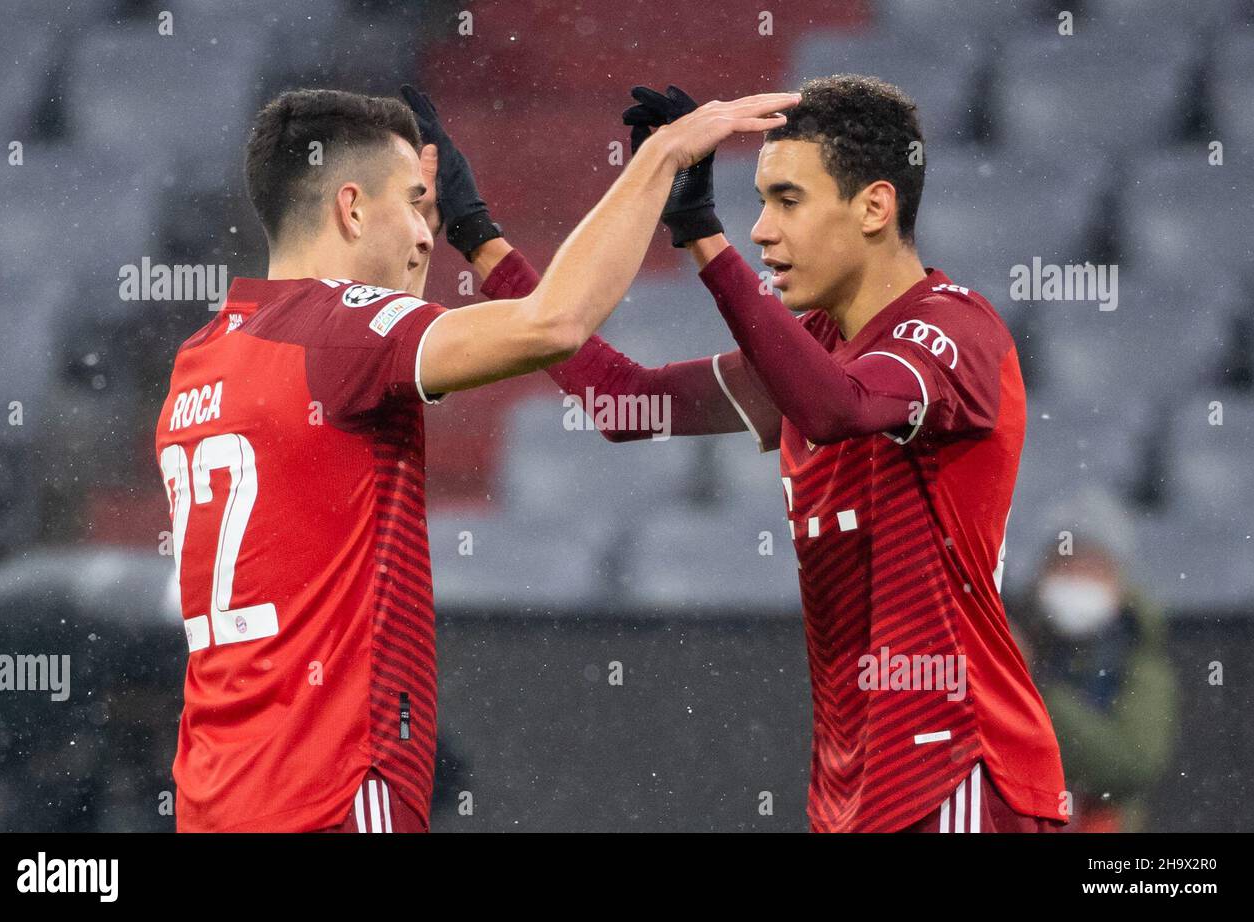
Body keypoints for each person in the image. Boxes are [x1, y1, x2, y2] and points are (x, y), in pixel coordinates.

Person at [429, 75, 1067, 832]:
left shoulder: (953, 330)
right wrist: (476, 233)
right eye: (758, 202)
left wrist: (704, 235)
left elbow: (840, 409)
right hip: (853, 787)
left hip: (957, 767)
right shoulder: (819, 352)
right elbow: (622, 402)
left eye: (787, 201)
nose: (761, 230)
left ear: (875, 207)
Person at [154, 86, 798, 832]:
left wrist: (459, 234)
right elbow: (562, 335)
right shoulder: (341, 335)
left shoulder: (203, 360)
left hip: (218, 795)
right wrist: (660, 162)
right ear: (352, 208)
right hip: (329, 789)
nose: (425, 235)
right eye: (411, 204)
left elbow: (620, 400)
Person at [1010, 489, 1178, 832]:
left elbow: (1129, 766)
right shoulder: (1008, 634)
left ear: (1119, 581)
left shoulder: (1139, 658)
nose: (1078, 578)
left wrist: (1027, 686)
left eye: (1094, 568)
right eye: (1067, 563)